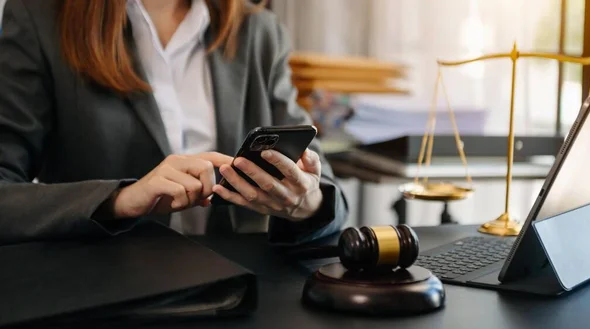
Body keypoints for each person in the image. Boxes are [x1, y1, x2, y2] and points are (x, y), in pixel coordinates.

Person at [0, 0, 348, 245]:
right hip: (104, 290)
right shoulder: (40, 18)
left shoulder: (259, 30)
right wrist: (121, 199)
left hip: (241, 293)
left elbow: (329, 198)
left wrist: (307, 203)